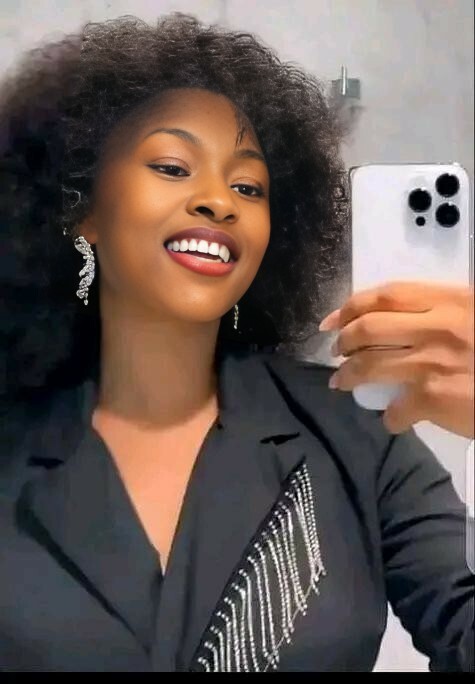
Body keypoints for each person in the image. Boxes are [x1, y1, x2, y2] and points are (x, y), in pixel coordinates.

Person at [0, 13, 473, 673]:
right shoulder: (12, 438)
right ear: (82, 208)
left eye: (248, 187)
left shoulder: (358, 430)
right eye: (172, 166)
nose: (219, 202)